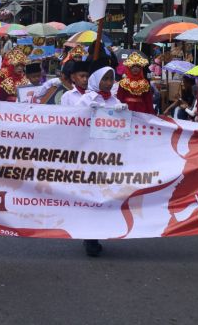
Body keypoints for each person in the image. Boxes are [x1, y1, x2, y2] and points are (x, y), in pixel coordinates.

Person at [77, 66, 127, 257]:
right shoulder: (86, 100)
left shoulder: (115, 100)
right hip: (90, 154)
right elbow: (72, 122)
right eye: (105, 79)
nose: (108, 83)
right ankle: (90, 237)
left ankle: (97, 232)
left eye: (111, 79)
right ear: (96, 80)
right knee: (90, 193)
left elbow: (123, 128)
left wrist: (124, 113)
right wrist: (88, 114)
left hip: (109, 155)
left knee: (105, 192)